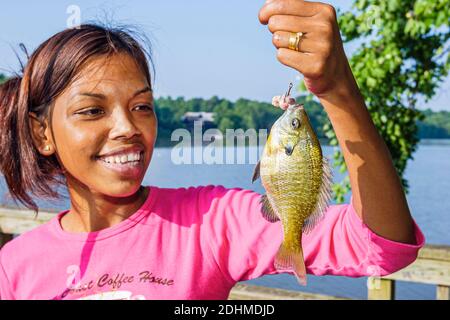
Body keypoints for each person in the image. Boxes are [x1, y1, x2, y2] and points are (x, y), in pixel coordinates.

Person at [0, 1, 424, 300]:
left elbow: (382, 245)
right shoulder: (15, 266)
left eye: (142, 106)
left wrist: (337, 90)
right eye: (93, 110)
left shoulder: (210, 222)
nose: (128, 127)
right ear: (42, 134)